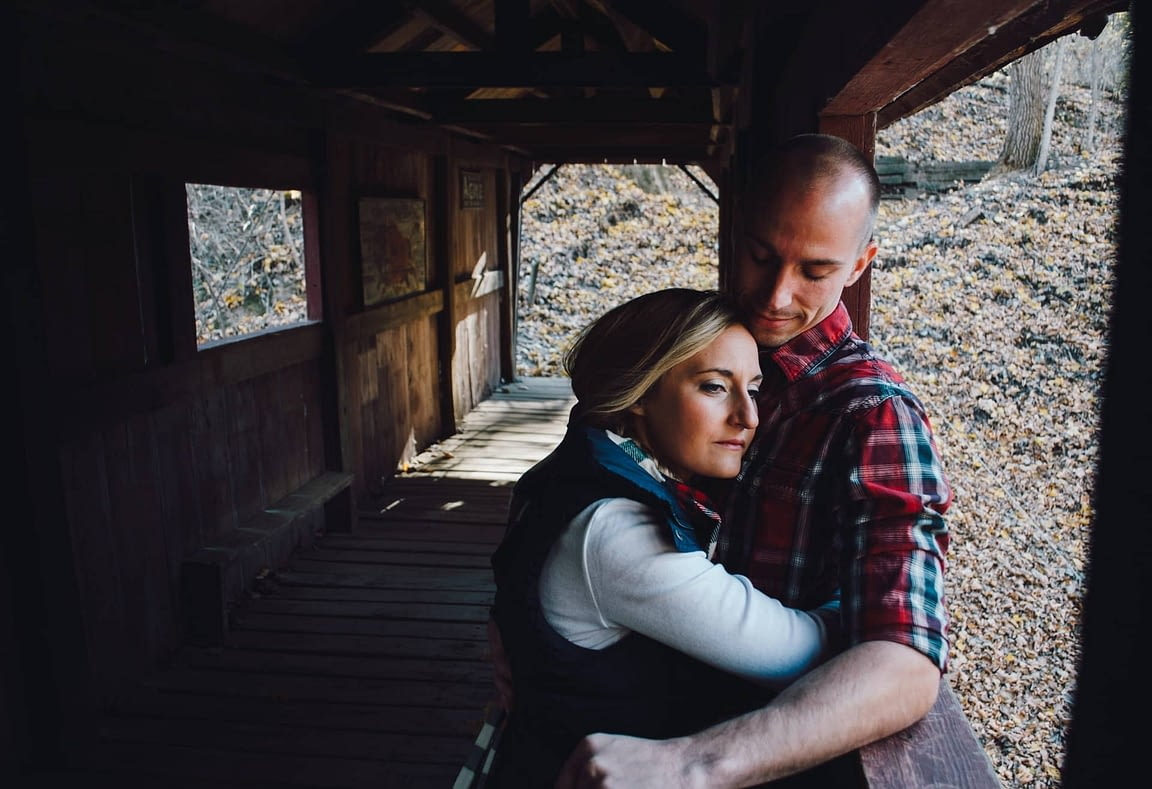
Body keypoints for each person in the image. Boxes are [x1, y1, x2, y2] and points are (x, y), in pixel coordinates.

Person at [552, 133, 953, 787]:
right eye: (761, 255)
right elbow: (585, 456)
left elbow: (906, 662)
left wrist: (693, 763)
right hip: (619, 720)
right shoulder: (688, 338)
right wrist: (529, 616)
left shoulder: (872, 412)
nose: (774, 292)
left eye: (815, 270)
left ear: (860, 264)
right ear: (735, 228)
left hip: (753, 762)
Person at [486, 288, 841, 788]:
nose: (749, 416)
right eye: (715, 387)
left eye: (754, 389)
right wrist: (875, 602)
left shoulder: (580, 469)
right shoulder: (617, 532)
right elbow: (799, 654)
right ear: (640, 395)